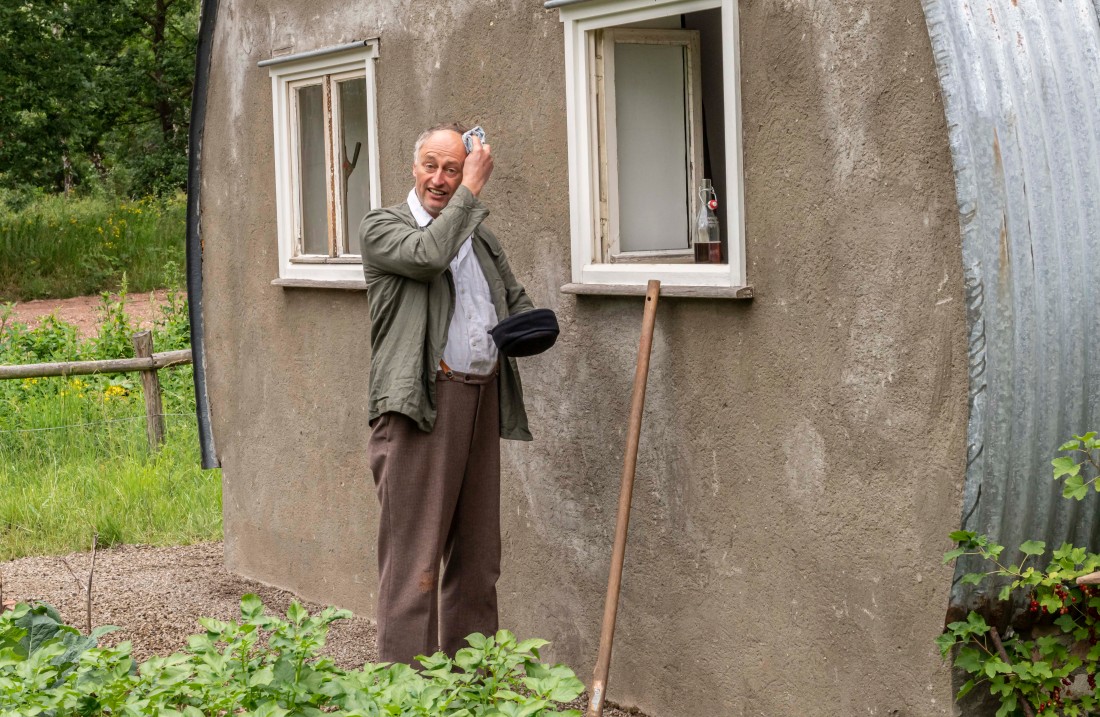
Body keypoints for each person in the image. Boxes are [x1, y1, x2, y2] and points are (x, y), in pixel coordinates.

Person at [358, 123, 534, 666]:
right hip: (421, 406)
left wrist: (529, 327)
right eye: (431, 166)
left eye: (453, 169)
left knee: (478, 559)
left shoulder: (478, 236)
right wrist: (471, 193)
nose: (440, 178)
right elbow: (429, 257)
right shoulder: (383, 227)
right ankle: (405, 691)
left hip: (480, 401)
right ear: (414, 168)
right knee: (416, 563)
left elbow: (514, 298)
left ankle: (471, 687)